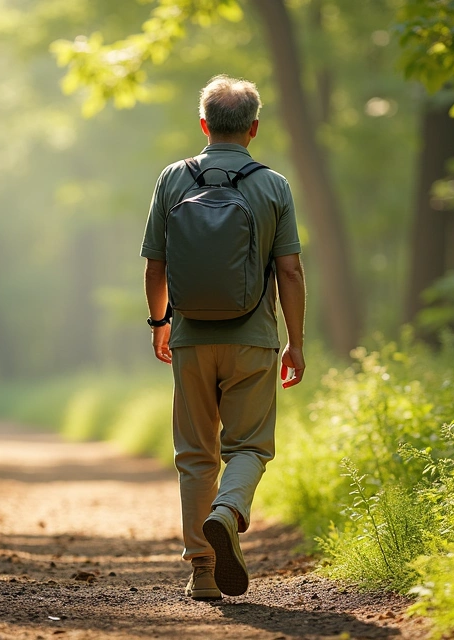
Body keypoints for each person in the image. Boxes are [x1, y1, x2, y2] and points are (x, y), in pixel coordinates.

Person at [140, 74, 307, 601]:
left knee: (195, 455)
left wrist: (160, 323)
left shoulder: (172, 179)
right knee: (250, 446)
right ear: (254, 128)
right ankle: (229, 511)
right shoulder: (273, 185)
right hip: (253, 339)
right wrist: (295, 342)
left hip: (190, 337)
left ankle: (203, 572)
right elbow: (291, 271)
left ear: (204, 124)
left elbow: (155, 263)